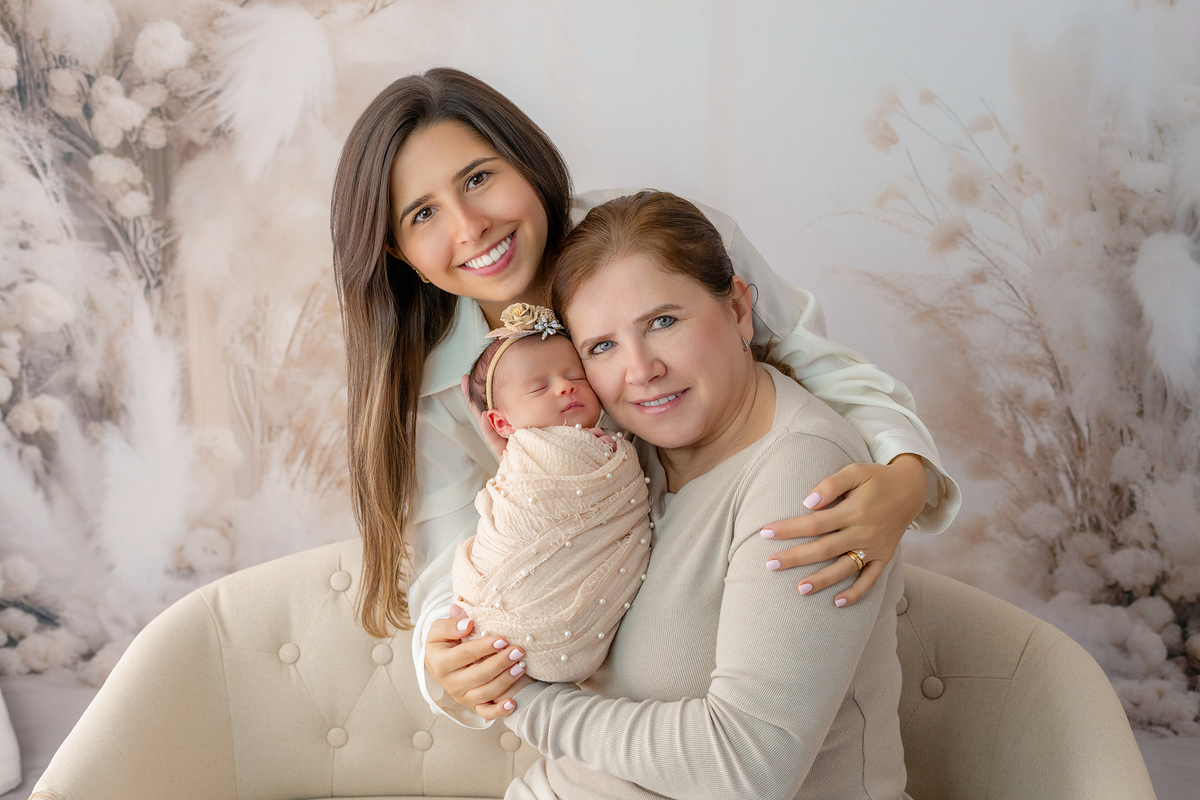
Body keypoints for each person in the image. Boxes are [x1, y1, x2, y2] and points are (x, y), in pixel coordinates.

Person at [329, 67, 960, 727]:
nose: (470, 227)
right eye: (423, 213)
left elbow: (810, 354)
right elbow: (444, 562)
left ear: (527, 160)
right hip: (608, 649)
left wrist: (906, 477)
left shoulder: (655, 238)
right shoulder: (429, 392)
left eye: (479, 179)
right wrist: (443, 661)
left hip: (730, 559)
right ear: (396, 250)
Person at [448, 191, 912, 799]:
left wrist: (522, 700)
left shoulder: (800, 476)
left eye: (662, 322)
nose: (640, 370)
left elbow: (747, 766)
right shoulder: (620, 456)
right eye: (602, 347)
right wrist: (472, 654)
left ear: (740, 309)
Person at [453, 303, 650, 682]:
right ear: (501, 422)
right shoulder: (529, 462)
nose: (565, 387)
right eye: (540, 387)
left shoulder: (615, 440)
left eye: (576, 376)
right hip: (497, 611)